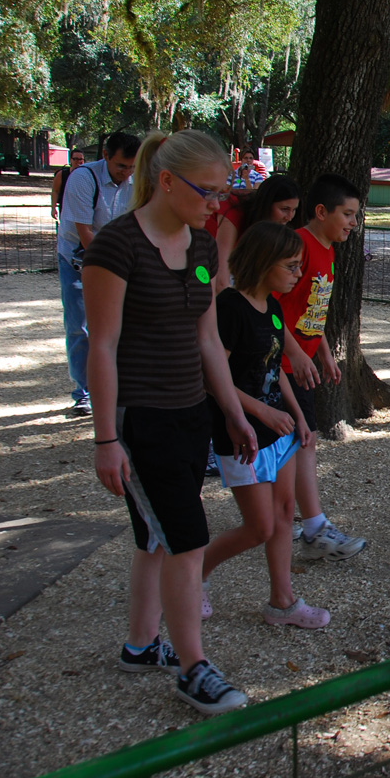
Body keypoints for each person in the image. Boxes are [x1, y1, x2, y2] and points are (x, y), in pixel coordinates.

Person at [82, 129, 258, 715]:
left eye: (223, 190)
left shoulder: (205, 249)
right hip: (143, 418)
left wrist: (232, 414)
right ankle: (193, 668)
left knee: (154, 537)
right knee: (187, 539)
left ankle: (140, 645)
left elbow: (208, 339)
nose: (217, 203)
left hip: (191, 413)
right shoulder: (116, 246)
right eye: (207, 191)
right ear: (164, 181)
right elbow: (101, 347)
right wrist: (106, 438)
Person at [200, 221, 330, 629]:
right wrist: (261, 412)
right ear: (262, 263)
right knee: (259, 527)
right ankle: (192, 574)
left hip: (278, 430)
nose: (297, 274)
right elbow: (212, 376)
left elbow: (277, 371)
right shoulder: (229, 309)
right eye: (290, 266)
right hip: (244, 434)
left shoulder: (272, 307)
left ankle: (283, 601)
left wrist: (298, 420)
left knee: (285, 512)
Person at [275, 174, 368, 562]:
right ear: (320, 212)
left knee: (300, 441)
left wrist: (324, 352)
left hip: (302, 362)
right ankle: (312, 528)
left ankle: (293, 523)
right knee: (302, 440)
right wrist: (295, 352)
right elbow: (272, 305)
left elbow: (314, 311)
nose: (352, 222)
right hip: (281, 364)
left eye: (355, 216)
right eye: (346, 214)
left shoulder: (328, 249)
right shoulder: (299, 245)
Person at [57, 132, 140, 416]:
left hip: (116, 258)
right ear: (105, 156)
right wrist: (113, 267)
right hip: (80, 258)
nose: (126, 173)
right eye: (121, 166)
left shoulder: (136, 180)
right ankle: (84, 391)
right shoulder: (83, 178)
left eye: (131, 167)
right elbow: (85, 233)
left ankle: (117, 384)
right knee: (80, 326)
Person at [210, 174, 302, 293]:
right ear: (267, 204)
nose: (289, 217)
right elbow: (221, 281)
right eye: (284, 209)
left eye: (294, 210)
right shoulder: (234, 210)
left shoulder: (269, 228)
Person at [50, 147, 86, 222]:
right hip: (65, 209)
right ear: (70, 160)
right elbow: (55, 191)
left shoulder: (87, 175)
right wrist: (53, 208)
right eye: (75, 159)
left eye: (81, 159)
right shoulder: (62, 174)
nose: (78, 161)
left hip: (83, 209)